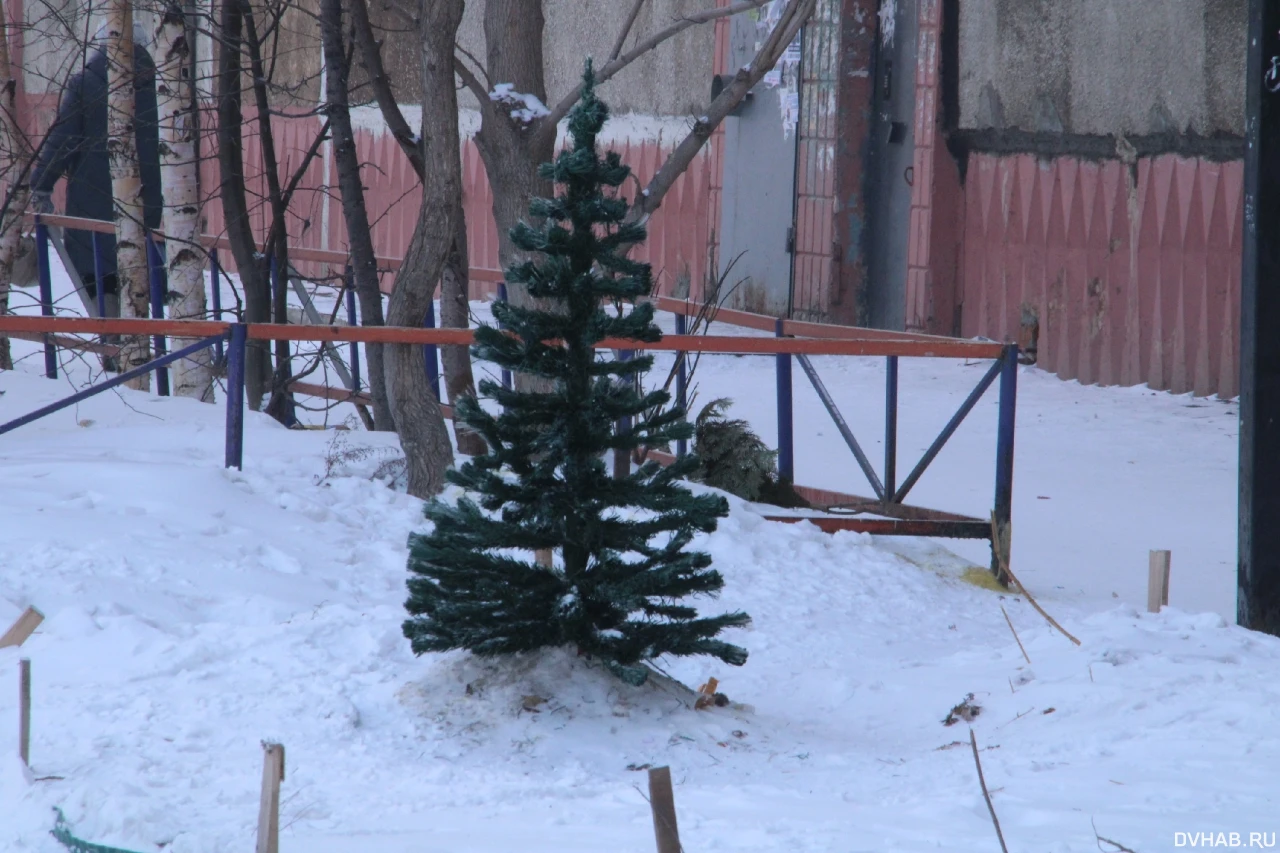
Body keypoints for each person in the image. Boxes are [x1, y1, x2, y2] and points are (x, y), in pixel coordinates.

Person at [29, 20, 163, 319]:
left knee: (97, 270)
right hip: (148, 198)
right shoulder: (163, 84)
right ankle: (137, 336)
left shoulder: (86, 82)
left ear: (102, 44)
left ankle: (113, 335)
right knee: (138, 266)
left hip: (92, 198)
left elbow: (64, 138)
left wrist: (41, 183)